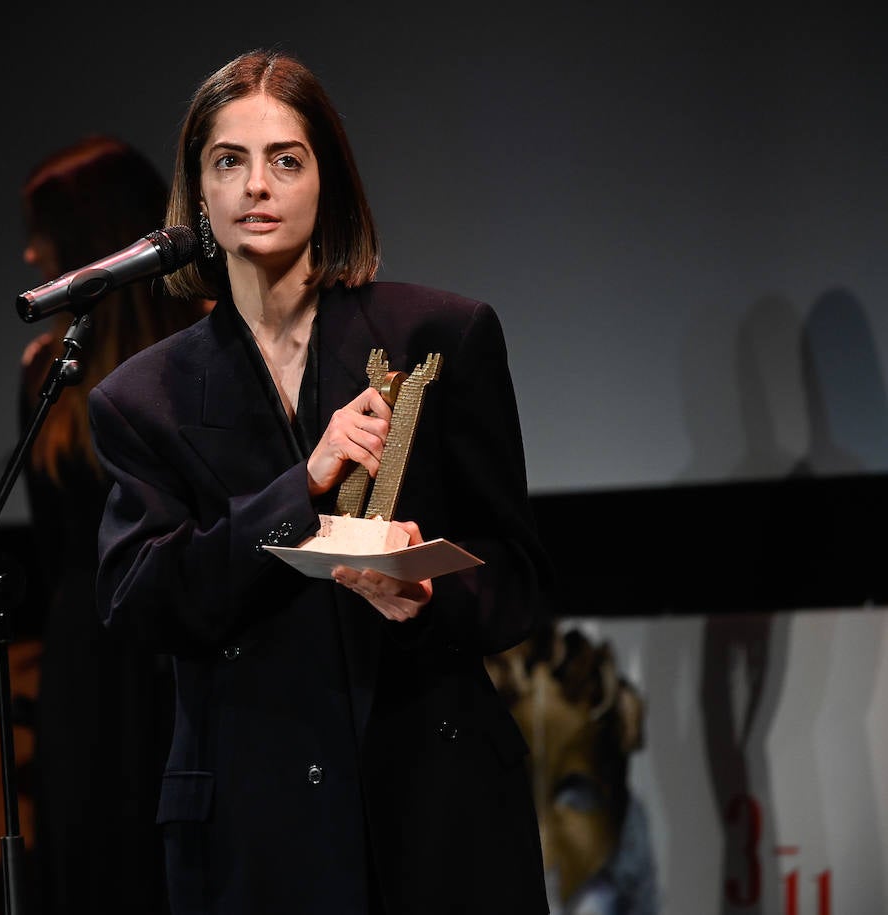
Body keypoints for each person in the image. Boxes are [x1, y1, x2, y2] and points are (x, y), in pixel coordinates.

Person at [87, 50, 553, 914]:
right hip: (255, 835)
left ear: (327, 183)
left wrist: (425, 593)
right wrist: (297, 487)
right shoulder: (140, 399)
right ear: (197, 196)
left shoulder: (441, 336)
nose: (255, 185)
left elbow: (516, 585)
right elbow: (142, 601)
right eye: (229, 161)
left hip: (434, 808)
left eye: (285, 159)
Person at [16, 135, 210, 914]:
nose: (32, 256)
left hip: (161, 647)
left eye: (46, 237)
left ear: (91, 244)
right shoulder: (45, 368)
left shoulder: (208, 346)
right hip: (97, 655)